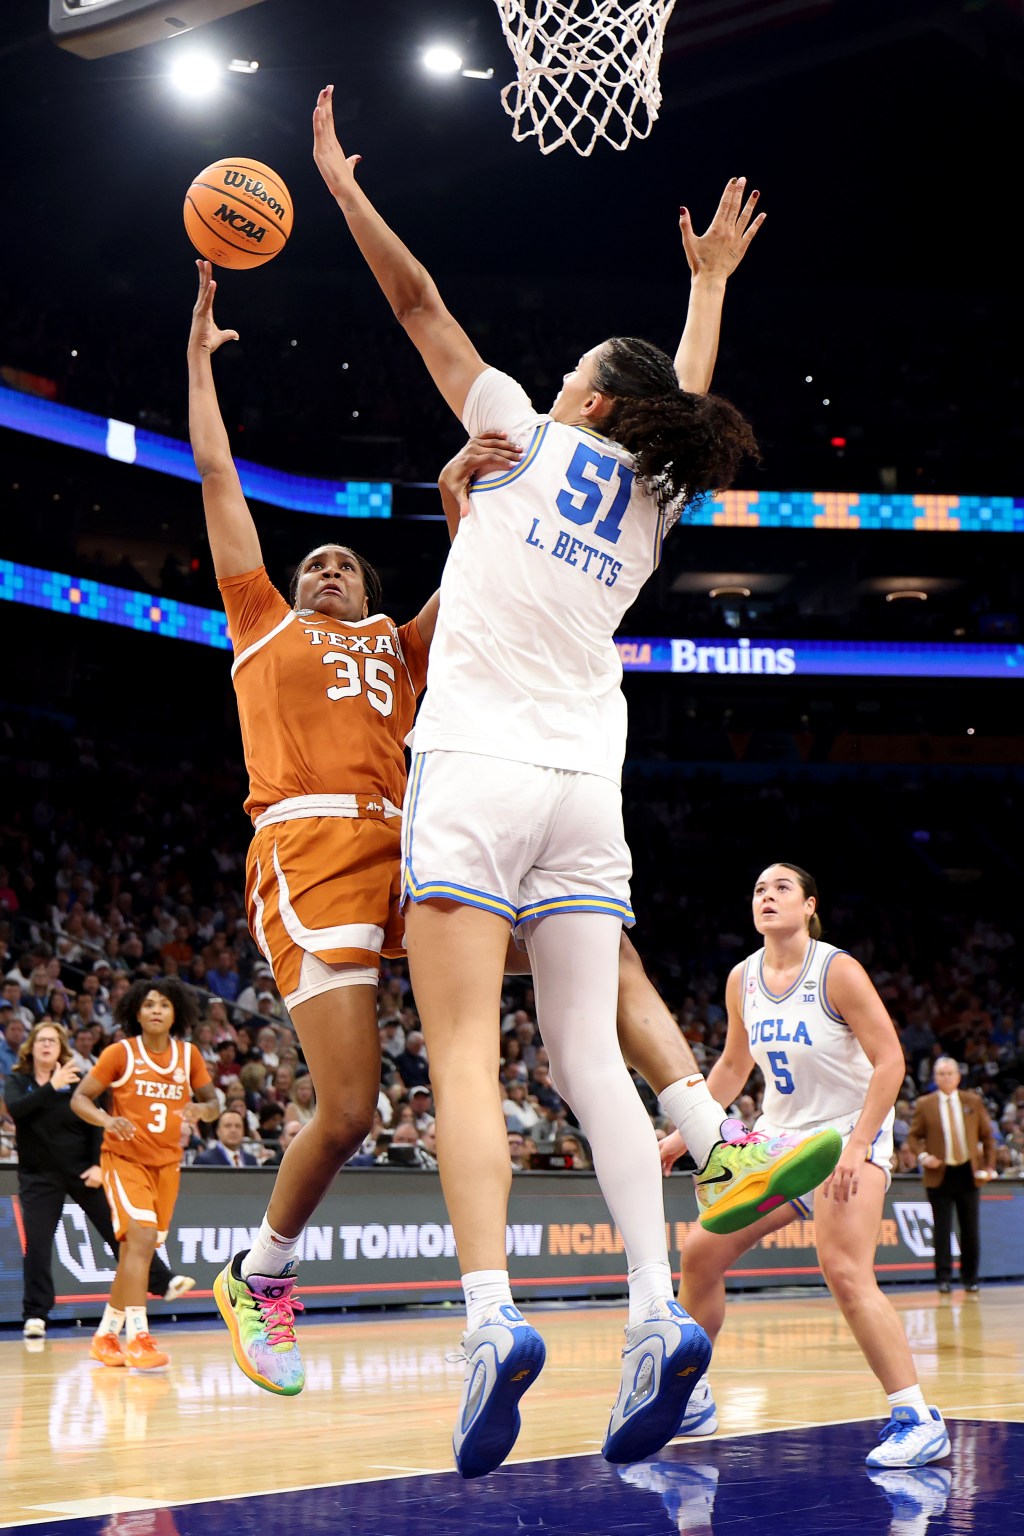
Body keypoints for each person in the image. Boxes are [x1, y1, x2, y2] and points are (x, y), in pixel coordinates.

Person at [312, 86, 839, 1478]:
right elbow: (686, 400)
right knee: (589, 1056)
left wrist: (344, 189)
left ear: (588, 399)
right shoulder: (654, 501)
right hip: (585, 785)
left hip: (479, 773)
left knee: (473, 1061)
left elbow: (420, 305)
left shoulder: (520, 442)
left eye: (566, 384)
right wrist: (705, 287)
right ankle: (659, 1311)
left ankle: (493, 1318)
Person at [186, 259, 439, 1398]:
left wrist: (466, 487)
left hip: (409, 847)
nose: (327, 569)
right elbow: (216, 473)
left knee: (578, 932)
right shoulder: (263, 626)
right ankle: (261, 1271)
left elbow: (481, 575)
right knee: (349, 1109)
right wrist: (197, 363)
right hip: (310, 851)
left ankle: (693, 1117)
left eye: (342, 562)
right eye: (313, 563)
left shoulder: (398, 642)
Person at [658, 864, 951, 1469]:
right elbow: (735, 1068)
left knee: (843, 1269)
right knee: (699, 1254)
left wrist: (859, 1145)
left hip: (847, 1133)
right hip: (779, 1143)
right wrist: (681, 1133)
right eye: (759, 890)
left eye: (781, 888)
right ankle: (692, 1395)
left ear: (810, 904)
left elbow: (890, 1060)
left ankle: (916, 1416)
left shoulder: (836, 970)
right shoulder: (742, 978)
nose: (766, 897)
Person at [4, 1019, 191, 1342]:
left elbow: (94, 1125)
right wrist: (51, 1085)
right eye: (41, 1040)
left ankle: (162, 1281)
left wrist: (97, 1164)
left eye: (53, 1041)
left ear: (62, 1048)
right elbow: (17, 1111)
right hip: (38, 1176)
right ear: (31, 1047)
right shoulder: (19, 1081)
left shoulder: (78, 1082)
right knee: (36, 1244)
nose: (47, 1045)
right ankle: (36, 1315)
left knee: (119, 1231)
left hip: (83, 1171)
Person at [70, 979, 219, 1369]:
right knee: (141, 1238)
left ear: (177, 1014)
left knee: (135, 1252)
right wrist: (106, 1119)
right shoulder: (120, 1053)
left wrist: (203, 1112)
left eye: (164, 1005)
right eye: (149, 1004)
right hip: (124, 1160)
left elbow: (214, 1102)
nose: (156, 1010)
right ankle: (139, 1338)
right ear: (136, 1012)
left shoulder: (189, 1056)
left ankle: (105, 1336)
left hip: (167, 1165)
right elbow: (80, 1098)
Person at [906, 1056, 996, 1294]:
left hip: (968, 1172)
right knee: (942, 1229)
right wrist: (924, 1157)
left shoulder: (972, 1101)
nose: (946, 1077)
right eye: (941, 1074)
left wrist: (988, 1167)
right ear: (935, 1078)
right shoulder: (925, 1104)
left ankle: (970, 1278)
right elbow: (913, 1137)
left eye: (950, 1073)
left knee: (970, 1229)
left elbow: (988, 1137)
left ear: (958, 1076)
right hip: (939, 1173)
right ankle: (943, 1279)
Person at [194, 1109, 260, 1167]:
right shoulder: (204, 1160)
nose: (233, 1130)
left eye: (238, 1126)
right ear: (218, 1131)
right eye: (228, 1126)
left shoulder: (251, 1161)